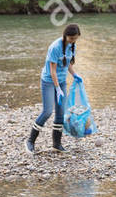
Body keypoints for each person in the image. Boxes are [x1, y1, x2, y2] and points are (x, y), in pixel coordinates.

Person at [26, 23, 80, 154]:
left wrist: (75, 75)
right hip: (49, 81)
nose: (73, 41)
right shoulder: (55, 47)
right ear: (66, 35)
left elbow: (68, 64)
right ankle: (30, 141)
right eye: (71, 38)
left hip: (61, 81)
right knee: (47, 111)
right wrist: (57, 88)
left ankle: (57, 144)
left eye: (75, 38)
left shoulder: (72, 46)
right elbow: (52, 70)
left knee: (61, 112)